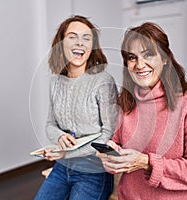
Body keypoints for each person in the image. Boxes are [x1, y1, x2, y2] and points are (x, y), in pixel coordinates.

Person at [96, 22, 187, 200]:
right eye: (132, 57)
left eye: (148, 55)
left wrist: (146, 162)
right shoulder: (126, 102)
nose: (139, 65)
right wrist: (110, 157)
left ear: (165, 58)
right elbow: (117, 146)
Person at [34, 15, 118, 200]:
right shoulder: (56, 82)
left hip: (94, 172)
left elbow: (109, 133)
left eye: (86, 38)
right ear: (61, 43)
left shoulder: (103, 81)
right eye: (72, 36)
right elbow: (50, 124)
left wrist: (67, 151)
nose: (80, 42)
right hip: (63, 167)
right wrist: (60, 137)